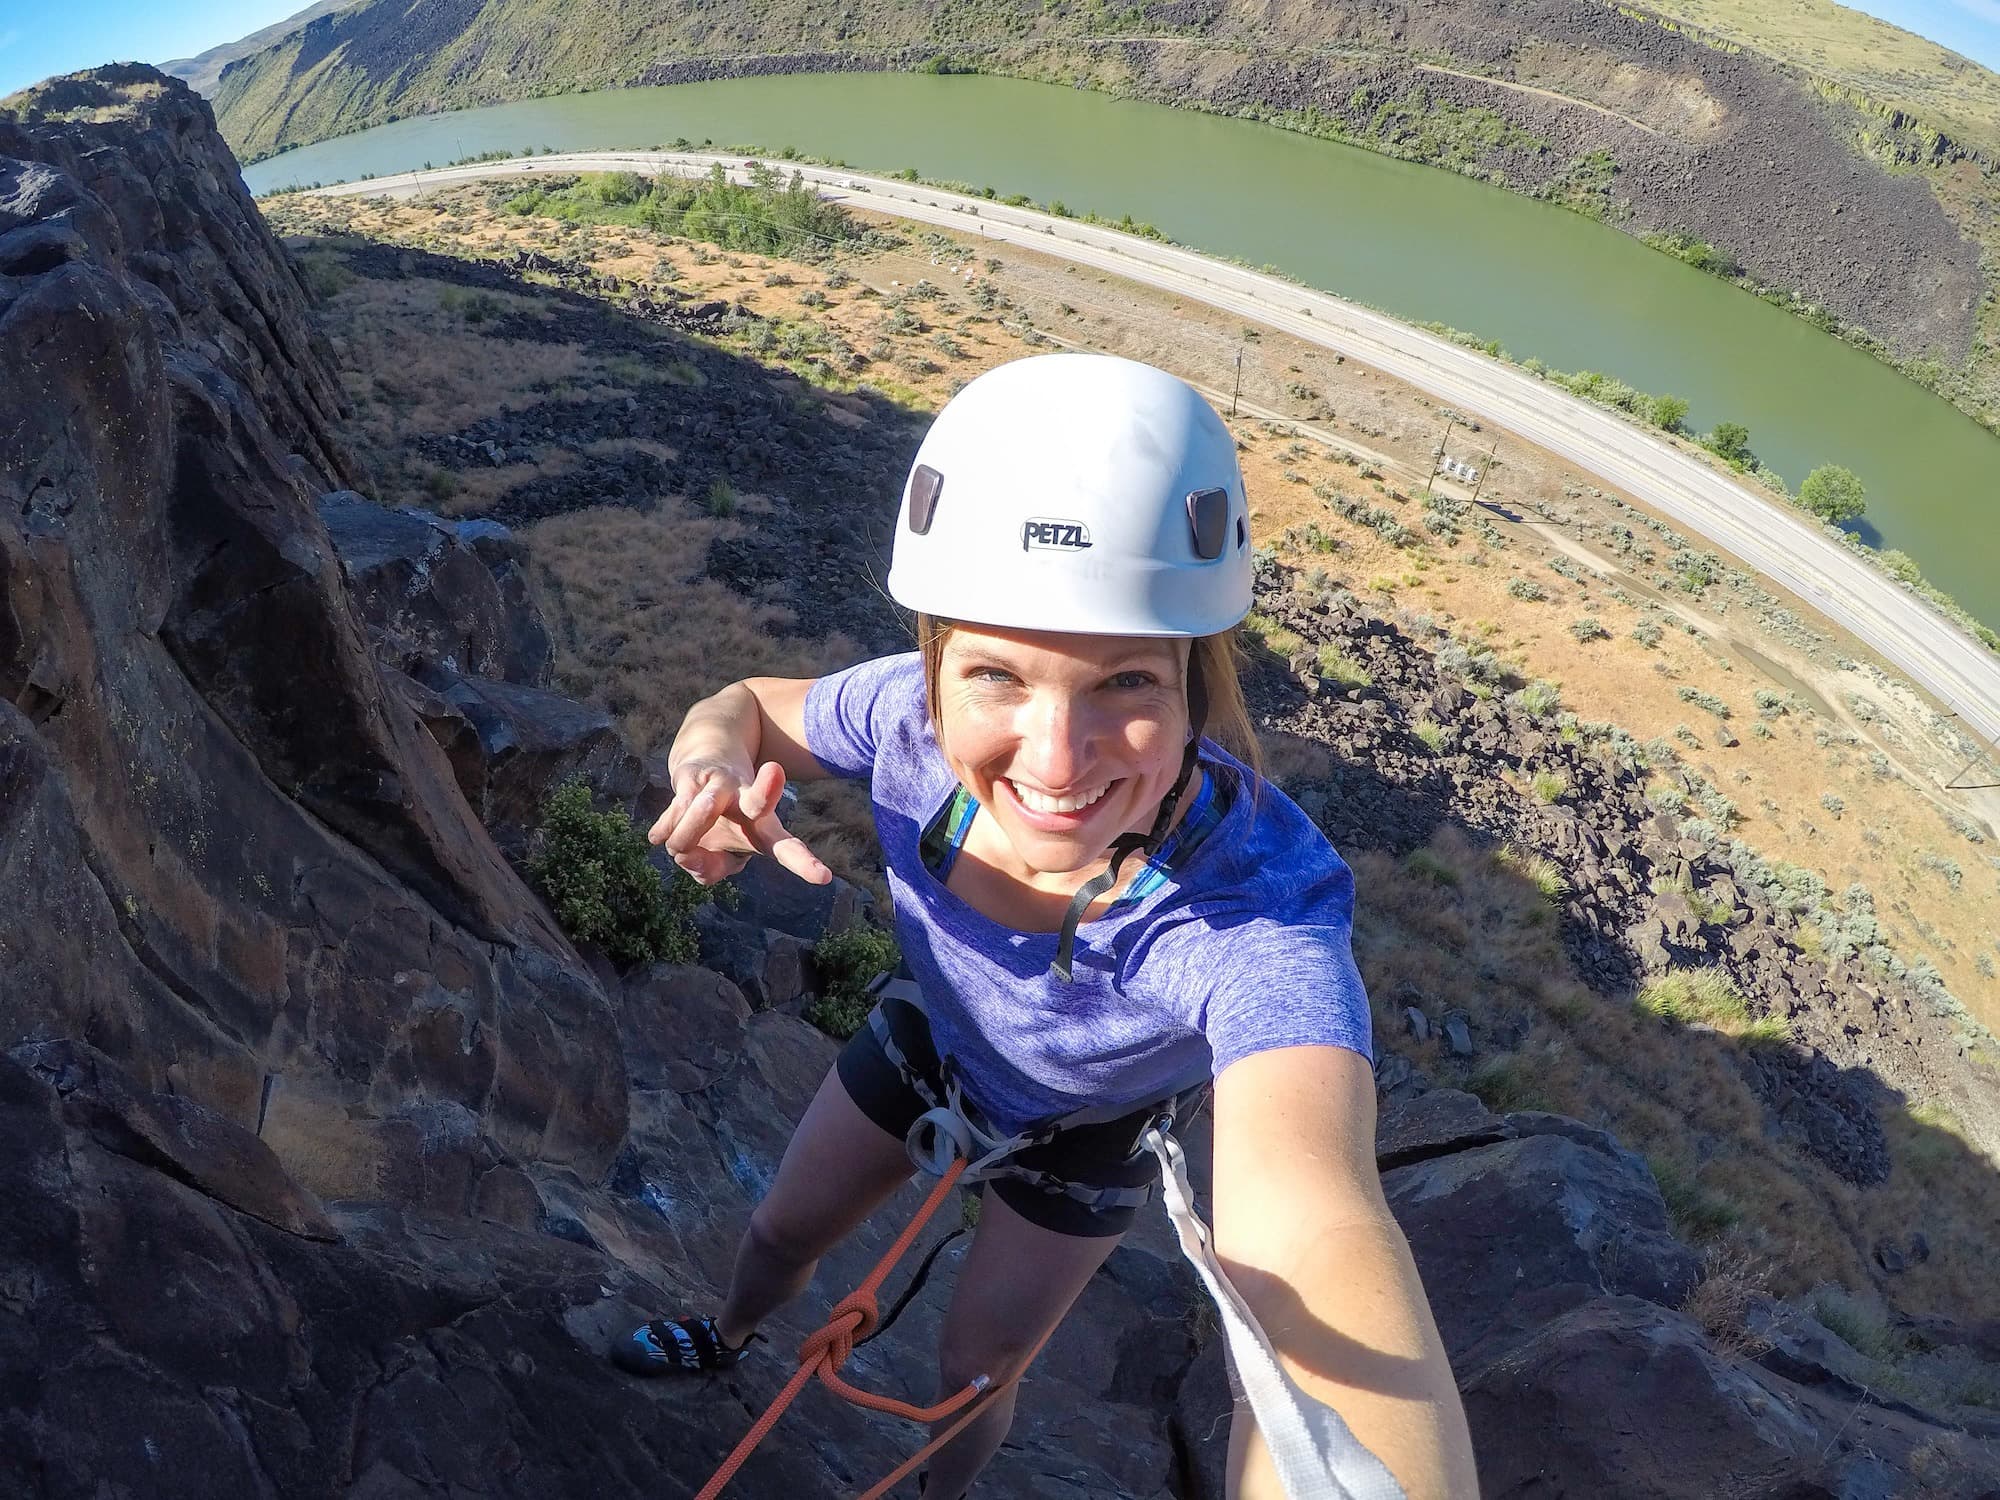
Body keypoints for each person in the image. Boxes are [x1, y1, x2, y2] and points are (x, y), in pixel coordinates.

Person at [611, 353, 1477, 1498]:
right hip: (937, 1039)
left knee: (976, 1372)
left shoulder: (1248, 913)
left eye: (1125, 684)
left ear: (1194, 689)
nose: (1056, 761)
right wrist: (712, 762)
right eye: (996, 677)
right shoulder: (906, 720)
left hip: (1089, 1124)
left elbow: (1312, 1230)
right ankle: (728, 1333)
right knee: (779, 1233)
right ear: (936, 666)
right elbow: (753, 707)